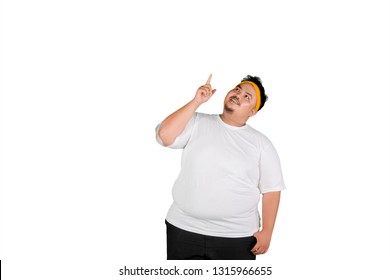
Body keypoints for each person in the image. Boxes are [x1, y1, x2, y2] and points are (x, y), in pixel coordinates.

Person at [155, 74, 286, 260]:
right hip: (183, 229)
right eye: (237, 89)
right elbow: (164, 136)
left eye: (246, 97)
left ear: (252, 112)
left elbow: (272, 190)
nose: (238, 95)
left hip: (236, 237)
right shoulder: (196, 122)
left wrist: (267, 232)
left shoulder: (261, 144)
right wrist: (196, 101)